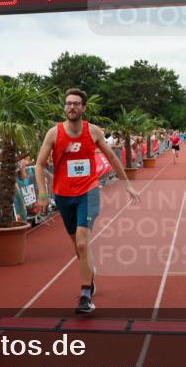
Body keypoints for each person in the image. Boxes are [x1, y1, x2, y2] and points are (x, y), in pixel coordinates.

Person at [35, 88, 140, 314]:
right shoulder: (54, 133)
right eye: (68, 103)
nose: (71, 107)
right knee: (78, 246)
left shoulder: (93, 131)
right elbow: (39, 164)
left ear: (83, 108)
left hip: (88, 191)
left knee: (82, 244)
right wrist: (42, 194)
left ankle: (85, 294)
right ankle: (90, 274)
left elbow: (112, 157)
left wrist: (127, 185)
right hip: (63, 195)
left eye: (76, 104)